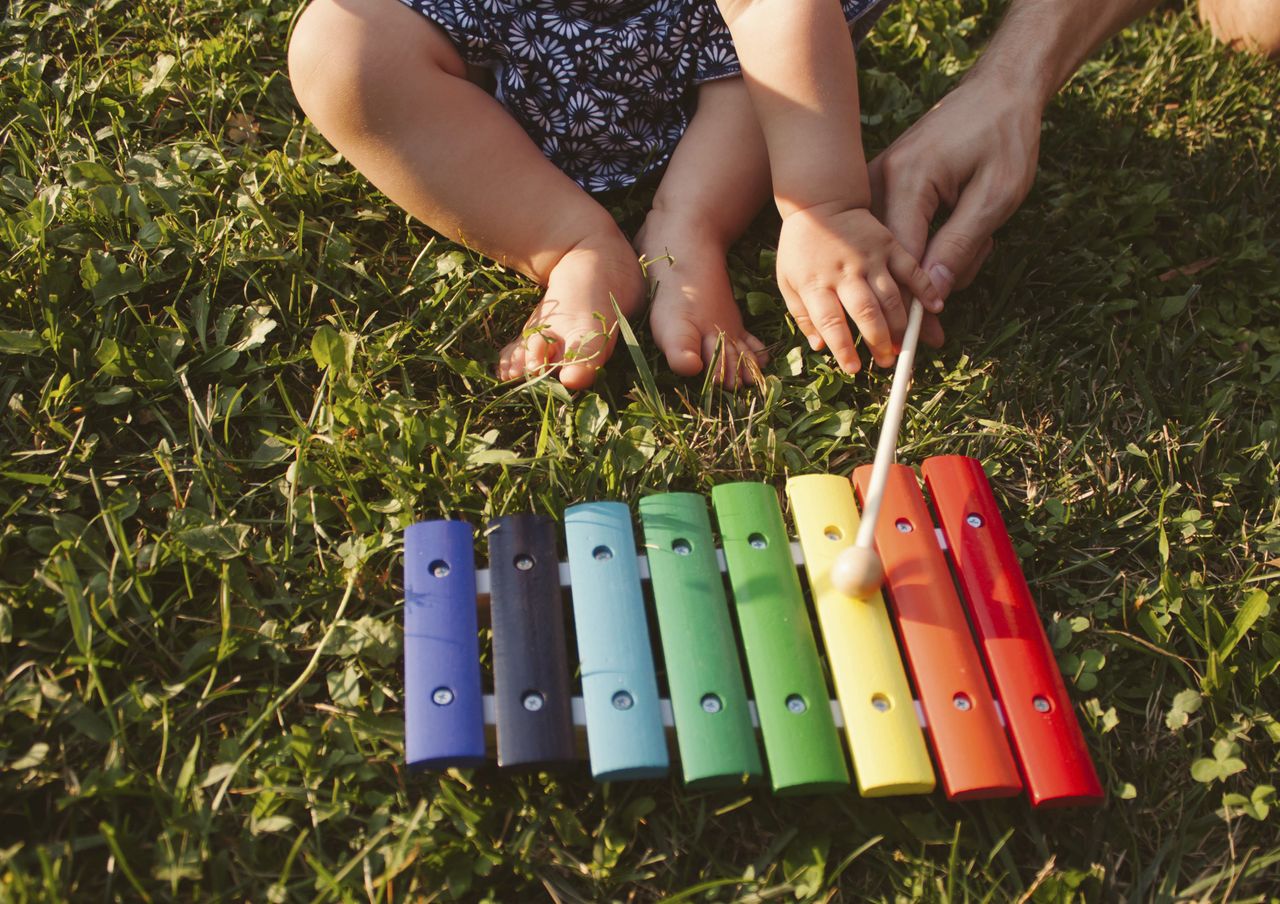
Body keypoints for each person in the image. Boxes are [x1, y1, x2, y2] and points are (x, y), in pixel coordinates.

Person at [288, 0, 943, 390]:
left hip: (701, 36)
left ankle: (688, 222)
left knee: (782, 52)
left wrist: (821, 203)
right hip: (498, 23)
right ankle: (569, 241)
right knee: (341, 50)